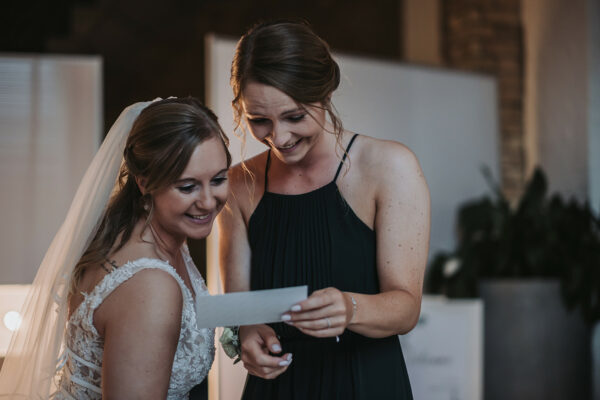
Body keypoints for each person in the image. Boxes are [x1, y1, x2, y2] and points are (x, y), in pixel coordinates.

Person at [217, 21, 431, 399]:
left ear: (326, 93)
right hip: (277, 390)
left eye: (295, 117)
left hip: (364, 384)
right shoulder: (238, 184)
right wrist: (249, 334)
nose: (278, 137)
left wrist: (350, 308)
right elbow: (241, 309)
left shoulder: (389, 166)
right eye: (259, 121)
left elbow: (406, 309)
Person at [0, 97, 231, 399]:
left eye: (218, 179)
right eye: (187, 187)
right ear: (145, 182)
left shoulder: (127, 232)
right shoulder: (150, 287)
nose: (208, 201)